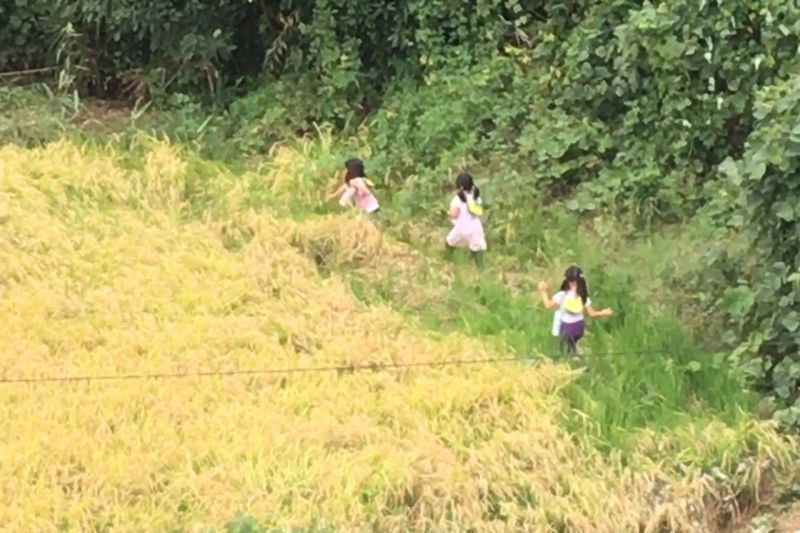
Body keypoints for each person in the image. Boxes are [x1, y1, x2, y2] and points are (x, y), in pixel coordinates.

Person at [538, 265, 613, 355]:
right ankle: (575, 356)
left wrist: (543, 291)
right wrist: (604, 312)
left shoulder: (562, 295)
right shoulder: (583, 296)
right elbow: (592, 313)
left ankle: (571, 360)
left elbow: (548, 305)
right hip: (579, 327)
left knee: (565, 351)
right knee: (573, 347)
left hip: (567, 328)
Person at [444, 171, 486, 269]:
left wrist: (447, 213)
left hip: (461, 228)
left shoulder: (458, 199)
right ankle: (481, 269)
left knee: (450, 242)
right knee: (477, 249)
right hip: (475, 228)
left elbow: (454, 214)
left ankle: (447, 262)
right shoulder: (476, 197)